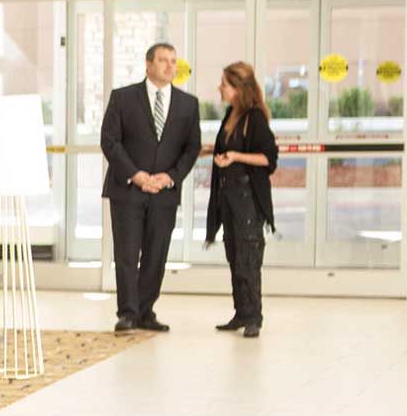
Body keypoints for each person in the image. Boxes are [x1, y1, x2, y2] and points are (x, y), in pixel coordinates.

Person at [100, 42, 202, 333]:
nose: (170, 66)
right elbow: (110, 141)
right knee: (127, 254)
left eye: (173, 61)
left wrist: (169, 177)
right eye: (163, 60)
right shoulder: (123, 98)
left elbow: (192, 147)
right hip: (128, 189)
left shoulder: (188, 104)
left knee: (156, 254)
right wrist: (136, 174)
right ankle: (128, 313)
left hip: (165, 192)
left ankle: (146, 311)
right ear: (148, 64)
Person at [206, 62, 279, 338]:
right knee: (234, 255)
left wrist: (236, 157)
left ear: (238, 88)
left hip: (248, 198)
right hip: (229, 198)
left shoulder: (254, 117)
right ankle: (240, 312)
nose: (220, 88)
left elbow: (268, 159)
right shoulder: (231, 114)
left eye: (224, 83)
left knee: (248, 257)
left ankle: (254, 317)